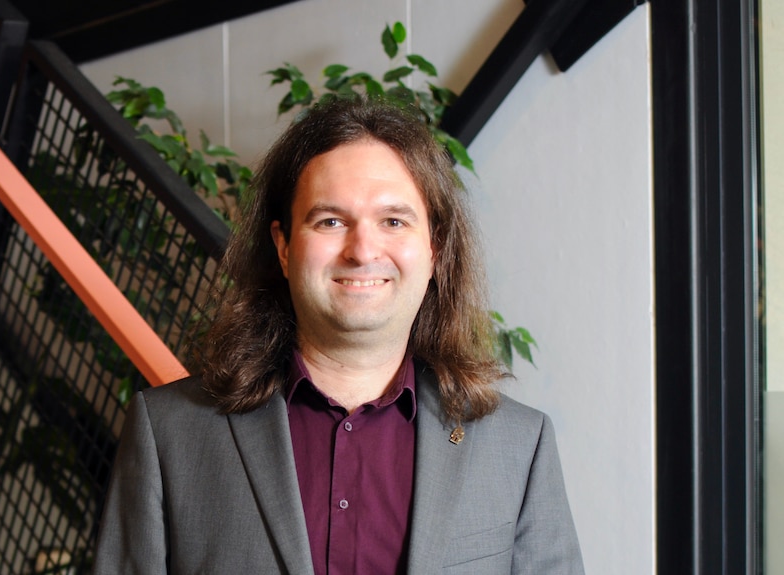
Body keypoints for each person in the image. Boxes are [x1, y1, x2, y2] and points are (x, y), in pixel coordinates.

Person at [91, 96, 584, 574]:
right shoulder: (170, 435)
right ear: (283, 248)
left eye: (393, 221)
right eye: (330, 221)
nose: (362, 249)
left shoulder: (519, 447)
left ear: (434, 250)